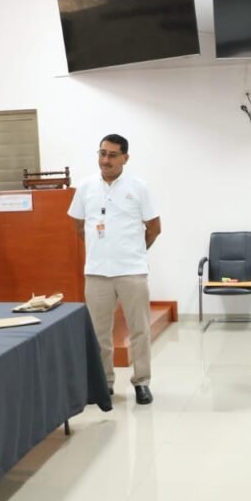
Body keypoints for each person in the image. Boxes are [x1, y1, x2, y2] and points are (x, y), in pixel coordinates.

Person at [68, 134, 161, 405]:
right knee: (99, 332)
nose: (105, 160)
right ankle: (104, 383)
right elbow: (78, 225)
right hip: (97, 272)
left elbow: (154, 227)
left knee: (139, 329)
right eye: (102, 153)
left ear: (125, 158)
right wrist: (101, 250)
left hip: (132, 270)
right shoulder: (85, 186)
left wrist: (135, 251)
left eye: (112, 155)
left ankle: (142, 382)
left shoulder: (139, 187)